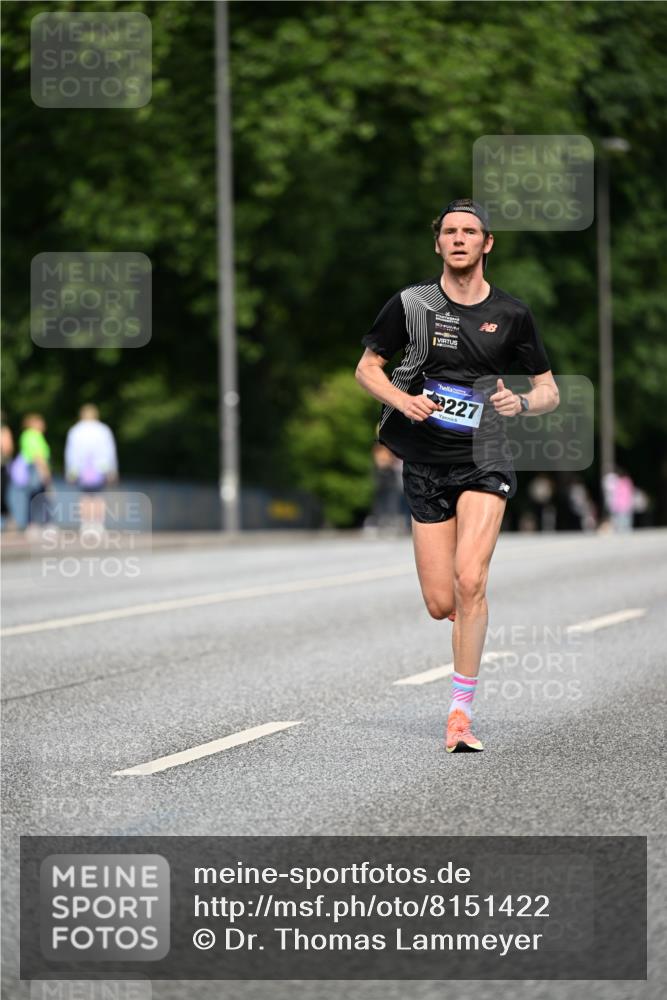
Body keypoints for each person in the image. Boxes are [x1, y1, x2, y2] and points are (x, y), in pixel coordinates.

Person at [355, 198, 559, 752]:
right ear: (438, 242)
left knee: (472, 580)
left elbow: (548, 389)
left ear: (487, 244)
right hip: (424, 460)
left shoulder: (513, 314)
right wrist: (404, 401)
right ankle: (463, 644)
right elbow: (366, 369)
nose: (460, 239)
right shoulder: (411, 305)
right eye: (451, 231)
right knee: (442, 602)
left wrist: (523, 404)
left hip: (485, 453)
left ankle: (459, 716)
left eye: (471, 231)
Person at [65, 404, 118, 532]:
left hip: (81, 469)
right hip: (100, 469)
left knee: (85, 497)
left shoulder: (75, 430)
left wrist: (70, 471)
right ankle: (98, 524)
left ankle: (86, 524)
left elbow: (71, 452)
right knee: (98, 497)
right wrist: (113, 470)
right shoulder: (103, 430)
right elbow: (110, 451)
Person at [8, 413, 51, 531]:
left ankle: (31, 524)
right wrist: (46, 474)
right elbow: (38, 457)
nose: (43, 425)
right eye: (41, 422)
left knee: (30, 497)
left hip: (30, 470)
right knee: (40, 497)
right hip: (35, 470)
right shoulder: (33, 436)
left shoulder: (26, 435)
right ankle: (41, 524)